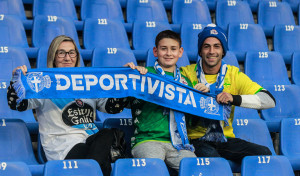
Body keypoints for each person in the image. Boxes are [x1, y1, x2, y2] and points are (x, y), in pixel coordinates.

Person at [7, 35, 127, 176]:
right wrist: (16, 81)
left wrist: (124, 82)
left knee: (109, 134)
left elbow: (113, 108)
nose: (67, 57)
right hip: (62, 147)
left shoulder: (88, 82)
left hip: (90, 143)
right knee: (100, 161)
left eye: (71, 52)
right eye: (61, 53)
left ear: (76, 56)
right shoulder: (44, 83)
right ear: (53, 56)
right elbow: (16, 105)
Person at [180, 24, 276, 163]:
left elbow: (269, 100)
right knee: (213, 159)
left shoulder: (233, 74)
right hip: (195, 139)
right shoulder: (186, 74)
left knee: (263, 153)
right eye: (206, 46)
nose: (211, 51)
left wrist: (233, 98)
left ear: (223, 51)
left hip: (225, 139)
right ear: (200, 51)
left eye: (217, 46)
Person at [123, 30, 197, 171]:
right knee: (154, 169)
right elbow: (121, 100)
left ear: (180, 52)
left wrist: (202, 95)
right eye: (164, 49)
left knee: (193, 168)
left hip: (179, 144)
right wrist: (127, 76)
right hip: (147, 141)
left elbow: (193, 118)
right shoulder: (143, 75)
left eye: (173, 49)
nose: (168, 53)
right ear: (155, 51)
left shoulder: (185, 82)